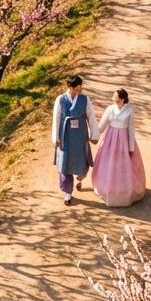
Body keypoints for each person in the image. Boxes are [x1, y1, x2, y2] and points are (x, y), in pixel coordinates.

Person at [91, 89, 146, 207]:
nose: (114, 99)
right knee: (109, 164)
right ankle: (107, 189)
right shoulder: (110, 109)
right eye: (113, 97)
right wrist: (94, 135)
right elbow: (102, 125)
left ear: (123, 99)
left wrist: (131, 148)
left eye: (117, 97)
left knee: (123, 166)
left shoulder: (129, 111)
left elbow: (131, 130)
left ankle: (125, 191)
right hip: (110, 140)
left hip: (123, 141)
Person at [52, 74, 98, 206]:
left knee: (81, 159)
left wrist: (94, 135)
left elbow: (91, 117)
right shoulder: (60, 100)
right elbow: (56, 119)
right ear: (72, 87)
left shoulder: (85, 99)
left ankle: (81, 177)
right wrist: (56, 138)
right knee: (65, 164)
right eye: (79, 86)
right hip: (65, 136)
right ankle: (68, 192)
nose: (81, 88)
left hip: (80, 135)